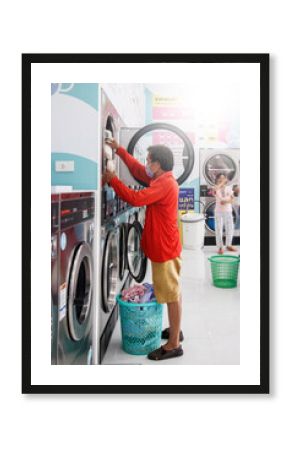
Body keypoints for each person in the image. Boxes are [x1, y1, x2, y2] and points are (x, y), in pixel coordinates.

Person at [102, 138, 184, 361]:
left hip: (164, 249)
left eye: (149, 160)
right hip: (165, 245)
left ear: (157, 164)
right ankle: (175, 330)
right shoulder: (161, 179)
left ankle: (174, 344)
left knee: (171, 294)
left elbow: (136, 199)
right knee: (171, 291)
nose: (146, 164)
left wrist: (113, 180)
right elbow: (138, 170)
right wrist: (119, 150)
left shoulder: (164, 184)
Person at [213, 173, 237, 254]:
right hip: (218, 211)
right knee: (219, 229)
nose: (221, 179)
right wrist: (222, 183)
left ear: (226, 179)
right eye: (220, 178)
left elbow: (232, 200)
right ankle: (220, 247)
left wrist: (226, 201)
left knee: (230, 228)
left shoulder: (229, 188)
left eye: (223, 178)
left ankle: (228, 245)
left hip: (228, 211)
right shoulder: (216, 188)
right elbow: (215, 189)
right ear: (217, 180)